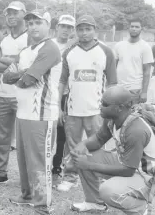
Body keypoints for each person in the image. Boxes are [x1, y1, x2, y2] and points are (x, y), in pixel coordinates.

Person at [3, 9, 61, 215]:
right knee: (23, 158)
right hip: (23, 112)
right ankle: (27, 195)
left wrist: (21, 75)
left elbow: (28, 80)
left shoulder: (50, 48)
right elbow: (5, 78)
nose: (33, 26)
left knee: (40, 159)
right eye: (30, 23)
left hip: (42, 114)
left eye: (38, 22)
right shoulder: (26, 51)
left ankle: (42, 203)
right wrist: (23, 74)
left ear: (48, 25)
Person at [69, 85, 155, 214]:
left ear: (120, 108)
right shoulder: (112, 118)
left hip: (147, 175)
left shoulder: (136, 130)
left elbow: (128, 170)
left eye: (105, 104)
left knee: (108, 190)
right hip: (131, 164)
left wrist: (88, 166)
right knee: (84, 156)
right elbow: (99, 139)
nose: (100, 106)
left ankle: (140, 208)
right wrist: (82, 145)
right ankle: (94, 203)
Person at [56, 15, 118, 192]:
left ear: (94, 30)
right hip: (73, 109)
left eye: (88, 29)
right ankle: (70, 176)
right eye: (80, 29)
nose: (84, 33)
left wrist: (110, 109)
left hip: (96, 110)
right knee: (72, 144)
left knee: (99, 145)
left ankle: (99, 177)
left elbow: (112, 83)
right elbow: (61, 81)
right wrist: (59, 107)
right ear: (76, 31)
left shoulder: (106, 52)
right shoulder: (69, 52)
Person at [0, 1, 28, 184]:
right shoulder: (2, 39)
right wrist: (13, 62)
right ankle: (1, 171)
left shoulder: (31, 37)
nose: (11, 16)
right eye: (9, 13)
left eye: (15, 13)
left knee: (25, 139)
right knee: (2, 137)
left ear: (24, 14)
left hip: (24, 94)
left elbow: (29, 65)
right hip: (2, 94)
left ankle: (27, 175)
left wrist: (8, 60)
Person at [51, 15, 75, 184]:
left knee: (62, 132)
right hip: (47, 92)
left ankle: (57, 166)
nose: (66, 29)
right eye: (63, 26)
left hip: (65, 94)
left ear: (72, 30)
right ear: (57, 27)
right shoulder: (49, 44)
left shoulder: (74, 47)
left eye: (69, 27)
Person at [114, 18, 154, 104]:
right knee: (118, 115)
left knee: (132, 116)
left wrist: (144, 92)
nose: (134, 29)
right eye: (132, 26)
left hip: (135, 89)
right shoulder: (119, 45)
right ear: (128, 28)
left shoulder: (145, 47)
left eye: (137, 27)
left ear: (141, 29)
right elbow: (114, 67)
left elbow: (147, 71)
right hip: (119, 88)